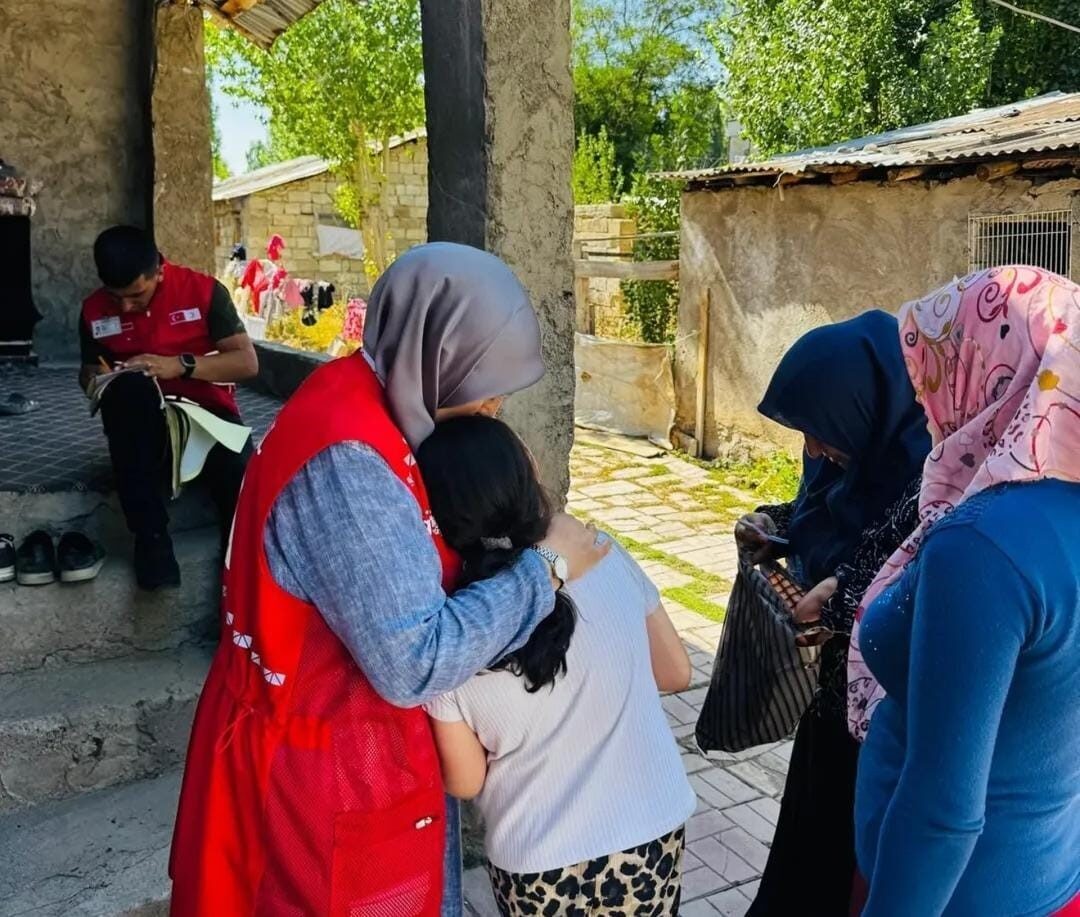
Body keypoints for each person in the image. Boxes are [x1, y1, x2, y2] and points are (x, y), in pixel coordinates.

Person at [168, 243, 609, 917]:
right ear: (434, 354)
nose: (492, 405)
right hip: (325, 772)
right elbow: (414, 659)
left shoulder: (365, 401)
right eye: (484, 381)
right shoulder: (350, 461)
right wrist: (543, 570)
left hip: (343, 748)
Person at [851, 266, 1080, 915]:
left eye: (936, 371)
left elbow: (944, 812)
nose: (927, 403)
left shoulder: (985, 544)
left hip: (954, 895)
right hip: (1049, 872)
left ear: (993, 373)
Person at [418, 415, 696, 917]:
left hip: (537, 860)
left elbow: (465, 782)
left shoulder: (453, 632)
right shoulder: (603, 552)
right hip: (651, 825)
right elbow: (676, 672)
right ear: (530, 469)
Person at [733, 311, 931, 916]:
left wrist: (844, 598)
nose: (813, 448)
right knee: (812, 828)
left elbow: (907, 567)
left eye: (823, 430)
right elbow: (823, 511)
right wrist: (776, 526)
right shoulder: (847, 454)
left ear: (865, 409)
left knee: (850, 840)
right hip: (832, 693)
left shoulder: (931, 471)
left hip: (884, 703)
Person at [79, 226, 258, 589]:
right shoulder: (93, 310)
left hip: (209, 418)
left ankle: (239, 586)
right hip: (145, 427)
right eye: (117, 298)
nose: (126, 306)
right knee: (127, 394)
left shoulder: (203, 292)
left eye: (136, 295)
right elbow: (87, 370)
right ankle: (152, 542)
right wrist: (100, 381)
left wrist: (180, 365)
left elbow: (246, 362)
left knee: (241, 476)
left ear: (159, 270)